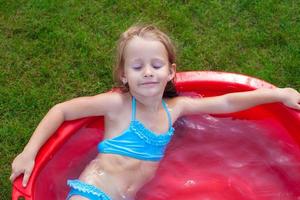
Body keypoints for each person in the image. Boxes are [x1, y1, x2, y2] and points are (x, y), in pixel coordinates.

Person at [10, 24, 300, 200]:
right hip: (94, 190)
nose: (147, 72)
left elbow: (225, 103)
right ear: (124, 75)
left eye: (156, 66)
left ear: (171, 72)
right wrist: (29, 153)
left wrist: (279, 94)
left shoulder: (175, 109)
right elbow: (61, 110)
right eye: (137, 67)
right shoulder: (118, 105)